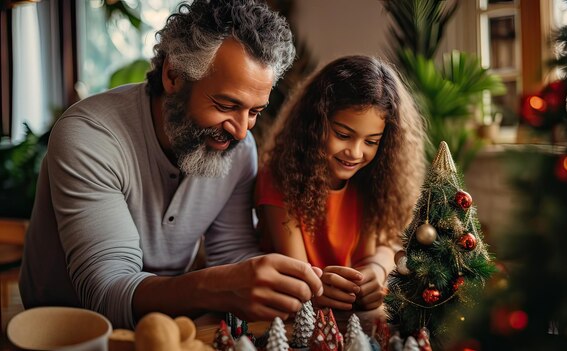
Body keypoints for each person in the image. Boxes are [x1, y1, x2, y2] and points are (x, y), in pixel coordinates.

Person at [19, 0, 323, 329]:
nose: (240, 130)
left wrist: (301, 284)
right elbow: (105, 292)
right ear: (173, 75)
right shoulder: (90, 136)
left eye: (254, 112)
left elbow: (233, 255)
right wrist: (216, 286)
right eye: (225, 105)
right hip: (61, 332)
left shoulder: (238, 147)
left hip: (169, 327)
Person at [255, 55, 426, 312]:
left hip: (353, 314)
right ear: (314, 124)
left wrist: (376, 270)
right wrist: (323, 289)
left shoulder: (376, 180)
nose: (355, 152)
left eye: (371, 141)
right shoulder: (280, 177)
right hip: (292, 311)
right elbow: (298, 273)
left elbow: (388, 243)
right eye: (343, 135)